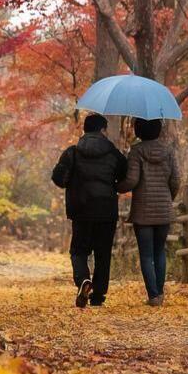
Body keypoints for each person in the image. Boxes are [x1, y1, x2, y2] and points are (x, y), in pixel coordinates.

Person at [51, 113, 127, 307]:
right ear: (102, 130)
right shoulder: (113, 154)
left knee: (78, 251)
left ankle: (83, 280)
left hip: (81, 209)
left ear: (85, 130)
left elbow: (59, 178)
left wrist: (72, 183)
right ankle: (99, 295)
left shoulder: (72, 153)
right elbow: (124, 175)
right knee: (103, 253)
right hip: (106, 210)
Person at [119, 117, 179, 307]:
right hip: (163, 210)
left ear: (139, 130)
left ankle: (153, 296)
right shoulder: (168, 151)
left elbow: (131, 181)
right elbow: (176, 180)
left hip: (143, 213)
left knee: (146, 254)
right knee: (159, 251)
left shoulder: (136, 151)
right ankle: (159, 294)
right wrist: (169, 199)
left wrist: (116, 187)